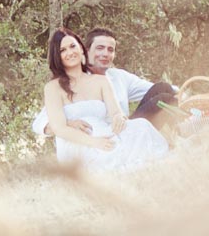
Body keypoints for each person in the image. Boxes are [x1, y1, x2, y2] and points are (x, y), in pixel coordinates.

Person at [42, 28, 169, 172]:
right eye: (62, 50)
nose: (70, 52)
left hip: (104, 133)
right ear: (57, 56)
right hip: (76, 144)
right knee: (108, 154)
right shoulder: (53, 87)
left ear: (81, 49)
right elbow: (59, 128)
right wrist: (94, 142)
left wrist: (118, 118)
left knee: (142, 126)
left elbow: (116, 112)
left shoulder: (101, 81)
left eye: (72, 46)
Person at [32, 28, 177, 137]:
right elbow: (39, 123)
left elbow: (159, 89)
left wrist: (187, 94)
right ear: (86, 51)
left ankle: (186, 130)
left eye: (110, 50)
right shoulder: (72, 82)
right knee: (165, 99)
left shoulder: (118, 76)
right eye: (100, 48)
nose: (105, 54)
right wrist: (67, 124)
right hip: (101, 138)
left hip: (126, 129)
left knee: (164, 88)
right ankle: (182, 133)